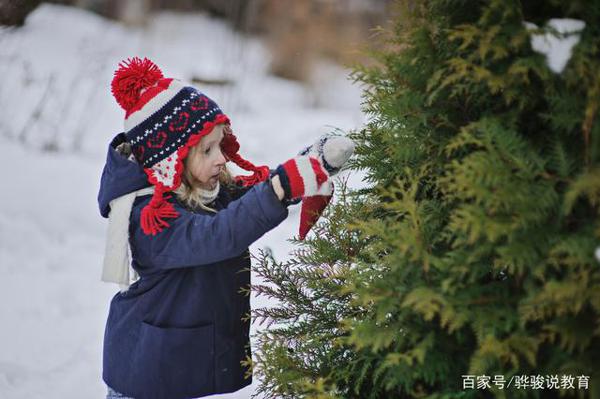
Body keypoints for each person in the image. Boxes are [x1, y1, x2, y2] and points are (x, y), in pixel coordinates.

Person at [98, 57, 354, 399]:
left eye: (221, 144)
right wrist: (278, 188)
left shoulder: (203, 190)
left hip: (177, 366)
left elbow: (250, 200)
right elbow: (217, 235)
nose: (221, 158)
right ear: (170, 161)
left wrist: (305, 168)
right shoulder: (150, 218)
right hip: (147, 377)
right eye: (208, 150)